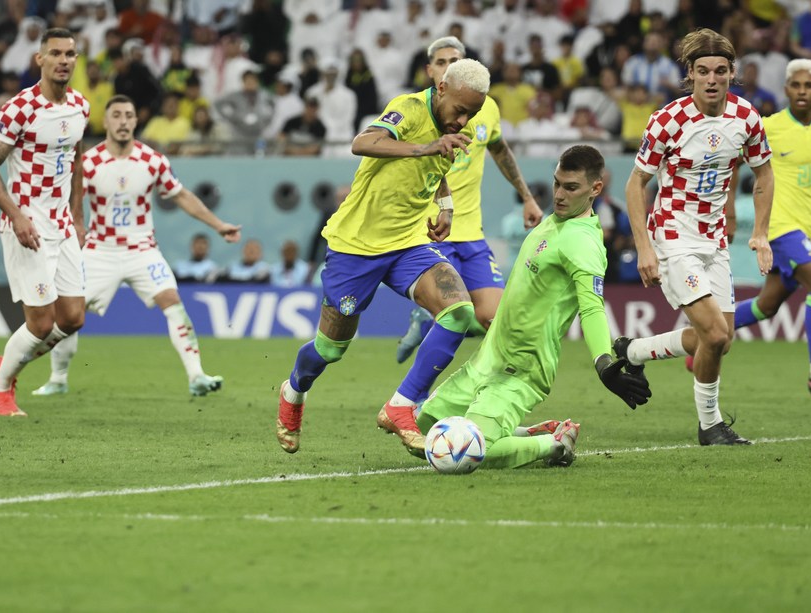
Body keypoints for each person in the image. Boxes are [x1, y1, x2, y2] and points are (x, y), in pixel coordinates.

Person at [276, 58, 490, 456]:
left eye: (472, 114)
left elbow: (437, 167)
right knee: (330, 349)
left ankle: (401, 406)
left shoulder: (450, 131)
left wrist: (446, 207)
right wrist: (425, 145)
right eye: (460, 110)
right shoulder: (408, 108)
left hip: (407, 243)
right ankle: (294, 390)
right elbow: (363, 142)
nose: (462, 121)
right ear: (441, 88)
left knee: (460, 312)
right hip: (356, 246)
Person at [416, 145, 652, 468]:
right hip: (489, 358)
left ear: (596, 189)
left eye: (571, 188)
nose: (559, 195)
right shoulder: (551, 222)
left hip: (523, 368)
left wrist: (603, 362)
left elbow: (592, 307)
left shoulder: (583, 242)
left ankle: (554, 444)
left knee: (469, 453)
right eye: (557, 183)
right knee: (425, 431)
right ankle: (523, 432)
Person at [618, 28, 775, 446]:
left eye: (720, 71)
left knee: (721, 341)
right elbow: (636, 185)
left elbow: (763, 173)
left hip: (714, 239)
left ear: (731, 73)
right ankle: (710, 425)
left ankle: (632, 352)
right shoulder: (669, 119)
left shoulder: (746, 119)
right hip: (672, 234)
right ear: (690, 74)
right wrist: (644, 246)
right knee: (716, 335)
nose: (711, 78)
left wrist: (760, 231)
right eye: (702, 71)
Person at [32, 95, 242, 398]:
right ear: (105, 122)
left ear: (136, 121)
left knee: (172, 301)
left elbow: (181, 195)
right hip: (99, 250)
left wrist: (218, 224)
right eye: (116, 115)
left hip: (142, 250)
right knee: (69, 315)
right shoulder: (89, 163)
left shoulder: (152, 160)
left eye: (129, 115)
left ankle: (197, 375)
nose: (123, 121)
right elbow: (67, 203)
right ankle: (58, 378)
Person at [395, 36, 543, 364]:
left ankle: (424, 324)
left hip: (472, 234)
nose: (450, 67)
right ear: (431, 70)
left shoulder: (485, 107)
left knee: (493, 320)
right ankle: (413, 400)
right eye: (442, 62)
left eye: (456, 60)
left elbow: (500, 149)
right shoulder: (415, 109)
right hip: (432, 231)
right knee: (454, 316)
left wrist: (527, 197)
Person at [725, 60, 811, 397]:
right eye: (796, 85)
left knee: (766, 305)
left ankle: (706, 335)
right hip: (778, 225)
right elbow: (732, 164)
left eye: (809, 86)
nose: (802, 91)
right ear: (786, 89)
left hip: (808, 228)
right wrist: (729, 211)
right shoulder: (768, 126)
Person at [0, 28, 89, 417]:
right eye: (55, 53)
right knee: (40, 324)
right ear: (39, 59)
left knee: (73, 317)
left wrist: (77, 213)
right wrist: (17, 215)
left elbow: (75, 159)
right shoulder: (18, 109)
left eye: (70, 54)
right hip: (27, 227)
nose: (64, 60)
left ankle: (7, 363)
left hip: (62, 225)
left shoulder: (80, 106)